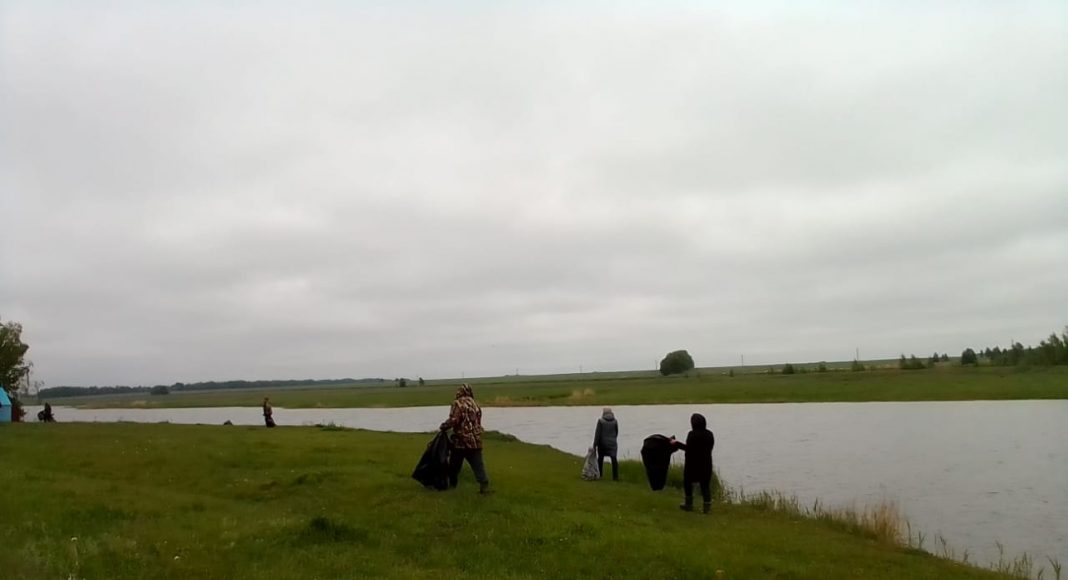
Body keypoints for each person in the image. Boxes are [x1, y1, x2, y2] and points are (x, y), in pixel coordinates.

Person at [439, 383, 491, 494]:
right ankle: (484, 485)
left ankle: (452, 486)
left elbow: (454, 420)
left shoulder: (458, 403)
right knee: (478, 465)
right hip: (476, 441)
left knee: (454, 465)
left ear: (460, 392)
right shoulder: (475, 404)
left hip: (461, 441)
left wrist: (444, 426)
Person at [671, 413, 715, 514]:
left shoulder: (692, 434)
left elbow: (689, 449)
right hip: (706, 464)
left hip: (692, 464)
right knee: (705, 486)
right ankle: (707, 508)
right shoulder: (709, 434)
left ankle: (688, 505)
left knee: (687, 483)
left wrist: (676, 443)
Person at [593, 407, 619, 481]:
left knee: (600, 458)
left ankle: (600, 474)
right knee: (614, 459)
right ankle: (615, 477)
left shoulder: (600, 421)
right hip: (613, 443)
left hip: (602, 443)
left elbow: (597, 434)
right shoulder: (615, 421)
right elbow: (616, 432)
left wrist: (595, 444)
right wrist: (613, 439)